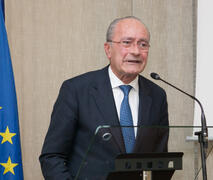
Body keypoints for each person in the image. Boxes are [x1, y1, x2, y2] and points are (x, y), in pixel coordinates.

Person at [39, 16, 169, 180]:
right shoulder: (76, 90)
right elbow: (52, 157)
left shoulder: (157, 95)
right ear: (108, 49)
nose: (136, 51)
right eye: (127, 42)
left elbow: (160, 160)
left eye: (143, 44)